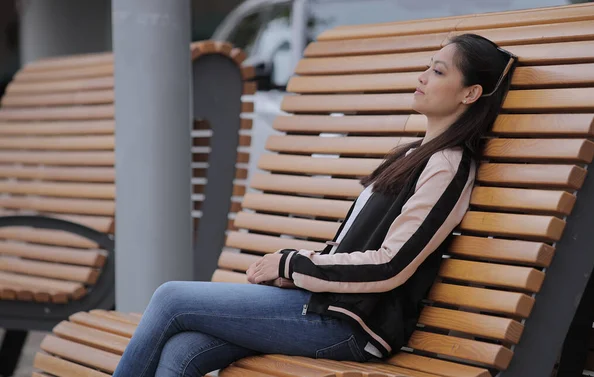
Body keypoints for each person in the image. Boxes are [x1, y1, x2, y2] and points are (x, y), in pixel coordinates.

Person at [112, 33, 518, 377]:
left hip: (350, 327)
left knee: (170, 298)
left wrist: (293, 264)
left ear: (470, 93)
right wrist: (298, 276)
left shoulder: (448, 166)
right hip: (321, 306)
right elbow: (350, 250)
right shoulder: (416, 154)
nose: (422, 76)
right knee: (183, 350)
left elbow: (391, 264)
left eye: (438, 71)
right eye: (428, 66)